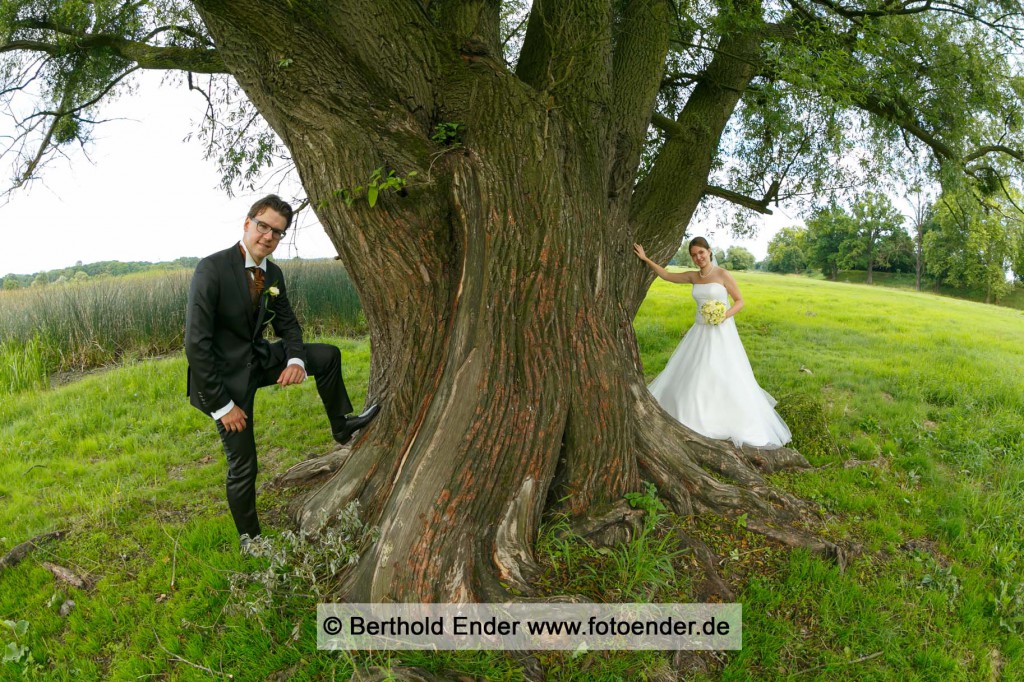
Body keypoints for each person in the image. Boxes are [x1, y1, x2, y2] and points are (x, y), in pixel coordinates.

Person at [185, 194, 380, 544]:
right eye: (263, 226)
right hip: (223, 382)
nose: (268, 236)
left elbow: (288, 325)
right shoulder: (211, 269)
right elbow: (195, 344)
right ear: (247, 223)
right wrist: (223, 406)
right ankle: (251, 541)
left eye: (278, 232)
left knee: (327, 355)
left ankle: (341, 425)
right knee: (245, 465)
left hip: (257, 362)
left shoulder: (272, 274)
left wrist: (295, 360)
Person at [633, 237, 790, 449]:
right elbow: (668, 276)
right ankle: (690, 415)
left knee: (722, 371)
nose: (698, 258)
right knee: (694, 371)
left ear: (709, 251)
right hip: (699, 332)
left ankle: (723, 418)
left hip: (721, 331)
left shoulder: (723, 274)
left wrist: (724, 315)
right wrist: (645, 259)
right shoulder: (693, 276)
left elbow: (740, 301)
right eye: (694, 255)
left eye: (701, 253)